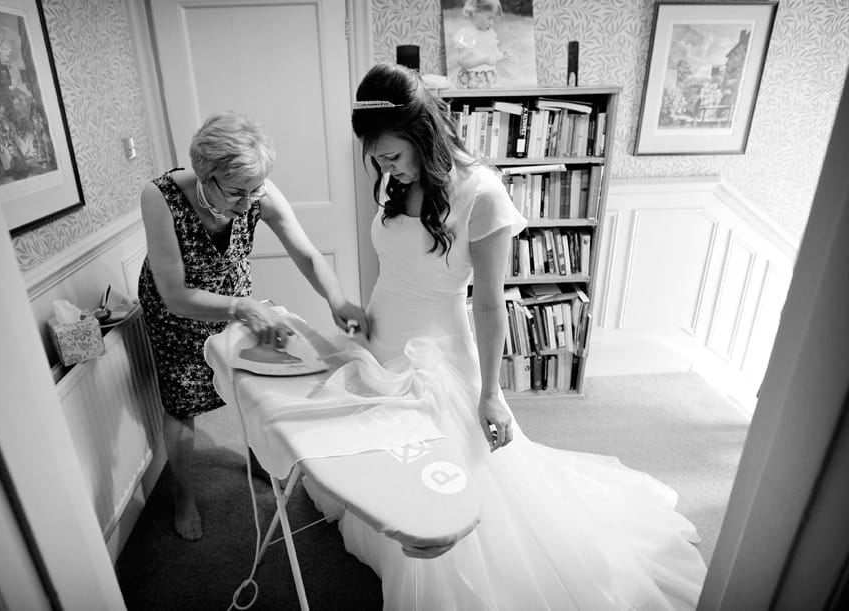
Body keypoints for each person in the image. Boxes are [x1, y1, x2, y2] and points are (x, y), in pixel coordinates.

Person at [305, 62, 708, 609]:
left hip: (440, 347)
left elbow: (491, 304)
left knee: (449, 472)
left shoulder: (482, 193)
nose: (385, 169)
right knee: (391, 460)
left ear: (423, 133)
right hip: (382, 338)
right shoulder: (394, 179)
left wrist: (491, 393)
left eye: (392, 156)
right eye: (376, 158)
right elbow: (397, 264)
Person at [138, 111, 367, 541]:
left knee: (248, 387)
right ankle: (184, 497)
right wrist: (241, 307)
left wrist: (337, 299)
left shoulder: (256, 189)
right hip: (179, 311)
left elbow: (308, 255)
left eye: (255, 189)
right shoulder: (160, 197)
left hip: (236, 298)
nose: (249, 202)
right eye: (237, 193)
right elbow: (174, 294)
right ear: (206, 176)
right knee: (183, 403)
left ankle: (259, 458)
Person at [452, 0, 508, 89]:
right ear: (476, 12)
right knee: (475, 101)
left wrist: (501, 56)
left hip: (488, 78)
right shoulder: (467, 34)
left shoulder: (490, 34)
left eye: (493, 19)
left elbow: (492, 55)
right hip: (472, 79)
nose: (492, 23)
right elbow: (462, 61)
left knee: (488, 101)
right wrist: (482, 61)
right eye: (489, 18)